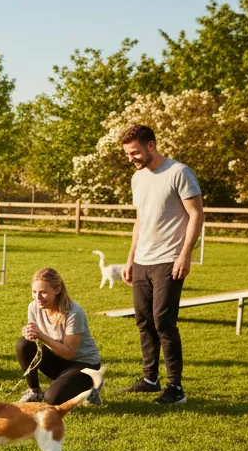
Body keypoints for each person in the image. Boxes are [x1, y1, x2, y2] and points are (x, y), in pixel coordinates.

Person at [119, 124, 204, 405]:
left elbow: (196, 214)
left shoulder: (179, 172)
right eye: (128, 154)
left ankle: (175, 387)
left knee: (164, 322)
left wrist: (185, 254)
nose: (131, 158)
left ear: (151, 146)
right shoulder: (137, 178)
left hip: (169, 259)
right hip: (143, 259)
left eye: (135, 152)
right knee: (144, 321)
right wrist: (131, 259)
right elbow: (141, 220)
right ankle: (149, 379)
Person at [16, 268, 102, 405]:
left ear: (57, 290)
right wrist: (30, 333)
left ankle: (89, 387)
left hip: (84, 364)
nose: (37, 297)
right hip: (58, 359)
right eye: (34, 292)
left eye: (43, 292)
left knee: (51, 399)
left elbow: (69, 353)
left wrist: (41, 335)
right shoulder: (33, 307)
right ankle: (35, 392)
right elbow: (35, 338)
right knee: (23, 344)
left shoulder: (74, 313)